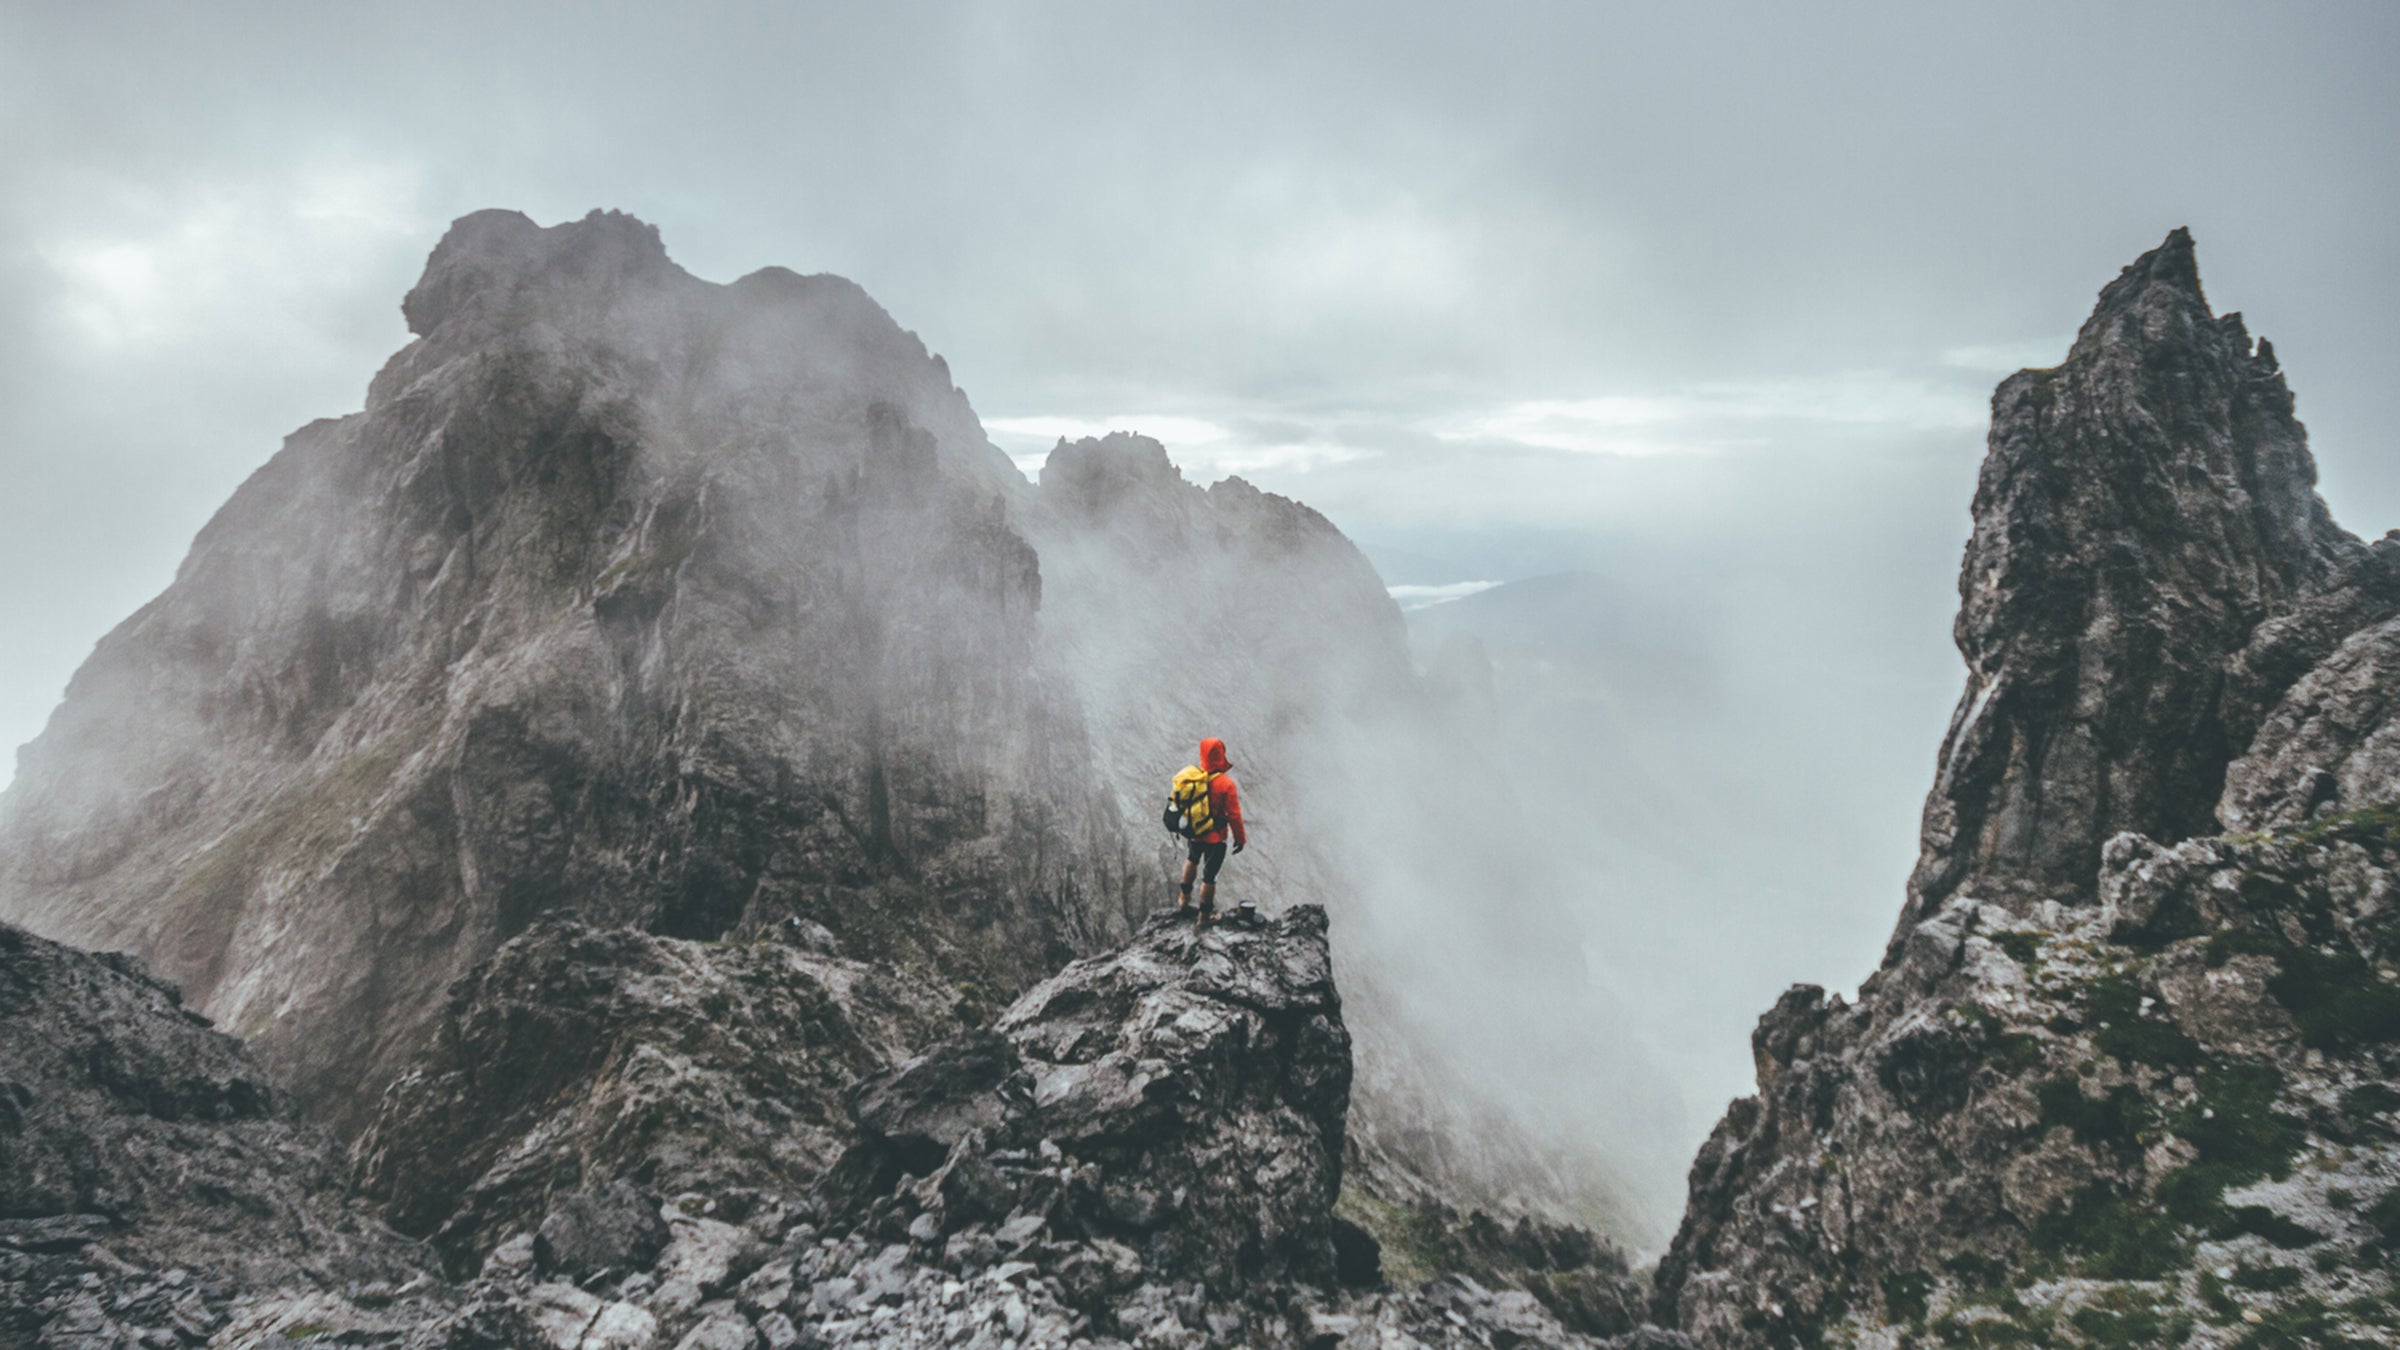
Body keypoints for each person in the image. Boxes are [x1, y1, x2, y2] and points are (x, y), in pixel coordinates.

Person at [1176, 737, 1246, 923]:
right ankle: (1204, 916)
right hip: (1215, 837)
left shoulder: (1195, 778)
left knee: (1191, 860)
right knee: (1210, 876)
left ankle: (1183, 901)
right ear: (1221, 755)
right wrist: (1240, 839)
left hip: (1195, 833)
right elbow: (1234, 815)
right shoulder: (1226, 784)